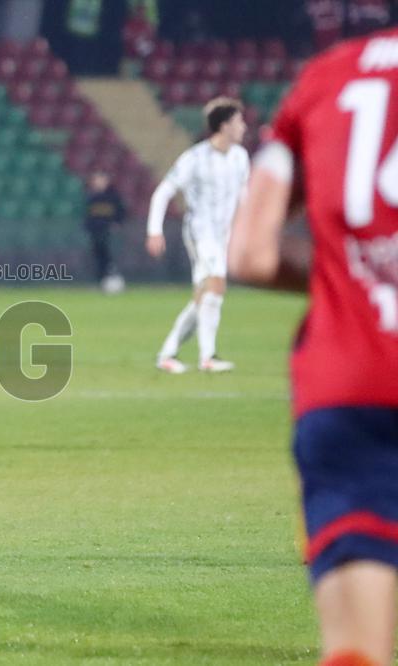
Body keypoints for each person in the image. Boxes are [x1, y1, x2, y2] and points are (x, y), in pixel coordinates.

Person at [229, 27, 398, 666]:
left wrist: (343, 275)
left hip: (348, 386)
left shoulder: (329, 76)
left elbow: (249, 252)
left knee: (357, 651)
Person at [145, 96, 249, 374]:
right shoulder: (195, 158)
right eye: (239, 121)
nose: (244, 127)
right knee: (215, 286)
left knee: (203, 296)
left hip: (225, 234)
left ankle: (167, 354)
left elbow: (245, 197)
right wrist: (154, 231)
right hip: (200, 232)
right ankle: (208, 357)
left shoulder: (240, 157)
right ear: (224, 126)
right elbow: (163, 191)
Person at [84, 171, 126, 289]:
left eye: (101, 179)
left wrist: (117, 223)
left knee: (110, 258)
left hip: (110, 234)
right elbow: (88, 216)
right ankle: (101, 281)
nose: (98, 182)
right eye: (96, 180)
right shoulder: (91, 197)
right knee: (98, 258)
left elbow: (121, 213)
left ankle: (113, 280)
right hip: (96, 233)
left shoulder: (113, 197)